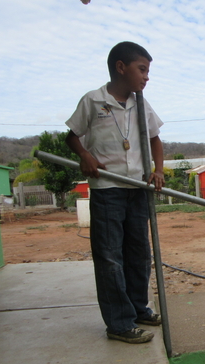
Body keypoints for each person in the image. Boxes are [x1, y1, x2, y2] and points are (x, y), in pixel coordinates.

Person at [65, 41, 165, 344]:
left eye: (148, 71)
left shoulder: (141, 103)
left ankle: (137, 308)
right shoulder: (93, 101)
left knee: (139, 253)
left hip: (137, 189)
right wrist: (85, 155)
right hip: (107, 189)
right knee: (110, 257)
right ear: (121, 67)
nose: (146, 77)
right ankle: (119, 324)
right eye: (142, 69)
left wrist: (158, 170)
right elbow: (72, 137)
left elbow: (155, 140)